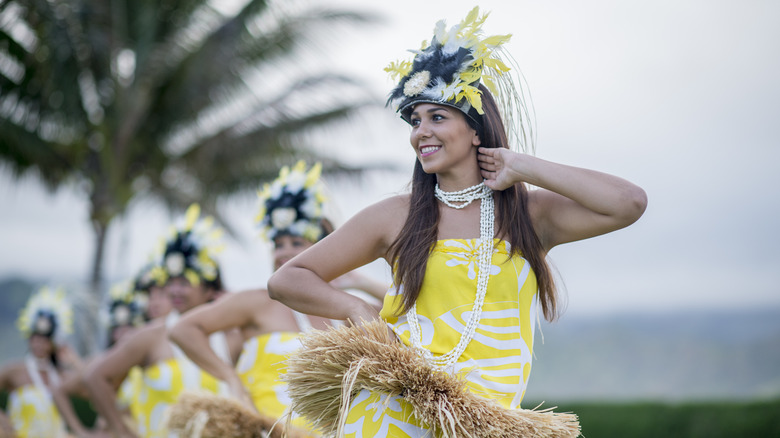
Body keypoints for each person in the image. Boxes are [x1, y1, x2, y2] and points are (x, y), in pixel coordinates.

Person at [267, 6, 647, 437]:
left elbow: (628, 202)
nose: (420, 132)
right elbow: (288, 279)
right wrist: (358, 310)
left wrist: (521, 165)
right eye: (415, 121)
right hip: (393, 414)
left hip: (485, 422)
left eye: (437, 117)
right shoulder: (397, 216)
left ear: (476, 130)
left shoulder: (530, 216)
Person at [168, 161, 386, 434]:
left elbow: (410, 313)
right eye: (277, 244)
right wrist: (230, 379)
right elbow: (183, 330)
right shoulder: (258, 302)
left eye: (296, 243)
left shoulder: (349, 310)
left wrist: (359, 281)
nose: (282, 252)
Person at [83, 204, 243, 438]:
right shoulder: (151, 337)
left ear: (210, 289)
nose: (175, 291)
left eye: (185, 282)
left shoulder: (232, 337)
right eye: (171, 282)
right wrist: (122, 431)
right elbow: (95, 377)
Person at [0, 286, 82, 438]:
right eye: (35, 338)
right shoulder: (15, 370)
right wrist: (2, 420)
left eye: (44, 340)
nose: (38, 344)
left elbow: (91, 389)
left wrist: (75, 363)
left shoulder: (61, 375)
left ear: (54, 342)